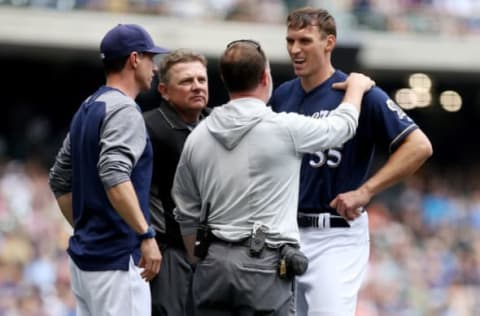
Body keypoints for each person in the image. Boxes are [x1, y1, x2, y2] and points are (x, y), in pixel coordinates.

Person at [171, 39, 375, 315]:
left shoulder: (198, 136)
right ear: (265, 77)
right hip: (264, 262)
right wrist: (357, 88)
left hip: (213, 263)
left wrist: (200, 259)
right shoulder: (283, 128)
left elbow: (184, 210)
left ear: (223, 80)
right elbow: (341, 127)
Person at [270, 7, 433, 316]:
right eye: (290, 41)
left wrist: (366, 191)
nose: (294, 49)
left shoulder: (358, 93)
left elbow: (419, 145)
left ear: (329, 42)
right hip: (286, 232)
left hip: (335, 234)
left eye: (305, 40)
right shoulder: (282, 96)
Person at [48, 24, 167, 316]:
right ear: (135, 59)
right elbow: (114, 175)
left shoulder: (89, 106)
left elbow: (59, 179)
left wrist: (88, 228)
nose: (155, 66)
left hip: (87, 261)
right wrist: (146, 234)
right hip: (116, 261)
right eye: (151, 58)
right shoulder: (124, 110)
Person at [141, 49, 210, 316]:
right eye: (186, 81)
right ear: (164, 91)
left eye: (201, 80)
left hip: (213, 252)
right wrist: (145, 238)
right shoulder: (147, 128)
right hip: (168, 251)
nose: (197, 87)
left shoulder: (217, 124)